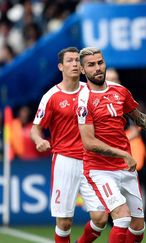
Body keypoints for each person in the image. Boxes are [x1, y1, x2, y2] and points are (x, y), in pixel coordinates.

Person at [77, 47, 146, 242]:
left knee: (138, 227)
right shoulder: (83, 100)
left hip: (125, 168)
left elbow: (140, 119)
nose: (98, 68)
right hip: (100, 170)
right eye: (91, 65)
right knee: (122, 216)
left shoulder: (120, 91)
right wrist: (122, 154)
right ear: (83, 70)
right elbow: (89, 142)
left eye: (100, 63)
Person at [30, 47, 108, 243]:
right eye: (70, 60)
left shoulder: (91, 91)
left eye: (77, 61)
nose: (74, 64)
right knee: (64, 222)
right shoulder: (51, 96)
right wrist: (40, 140)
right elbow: (35, 129)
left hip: (91, 161)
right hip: (65, 161)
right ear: (60, 66)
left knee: (101, 218)